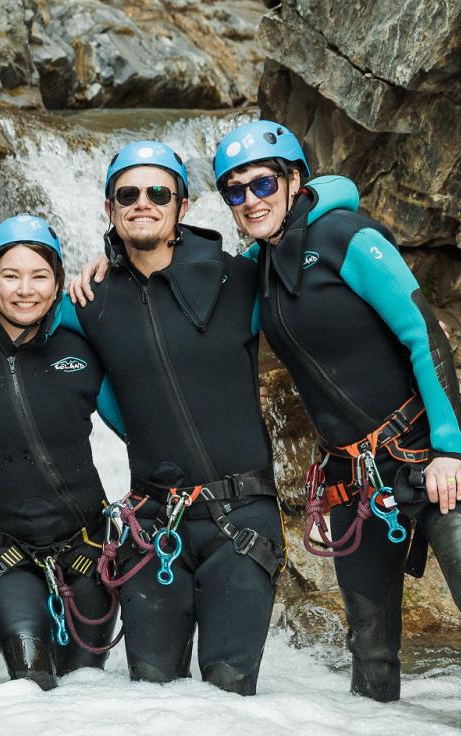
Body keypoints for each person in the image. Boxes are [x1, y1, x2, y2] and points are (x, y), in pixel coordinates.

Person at [209, 119, 461, 736]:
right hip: (353, 476)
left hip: (422, 449)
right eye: (233, 192)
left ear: (293, 179)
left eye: (261, 182)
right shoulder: (256, 272)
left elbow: (421, 332)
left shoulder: (348, 236)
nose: (250, 200)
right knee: (369, 636)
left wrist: (448, 448)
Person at [56, 141, 285, 695]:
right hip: (153, 524)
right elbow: (3, 286)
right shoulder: (88, 300)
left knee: (229, 697)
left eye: (158, 193)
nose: (143, 203)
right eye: (127, 194)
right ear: (110, 209)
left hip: (241, 521)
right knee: (153, 705)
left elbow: (317, 243)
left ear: (183, 207)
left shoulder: (241, 279)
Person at [0, 215, 121, 688]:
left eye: (39, 276)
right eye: (10, 275)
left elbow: (137, 431)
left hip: (88, 551)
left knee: (88, 688)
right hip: (6, 557)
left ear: (58, 286)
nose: (24, 290)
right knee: (30, 685)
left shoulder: (83, 352)